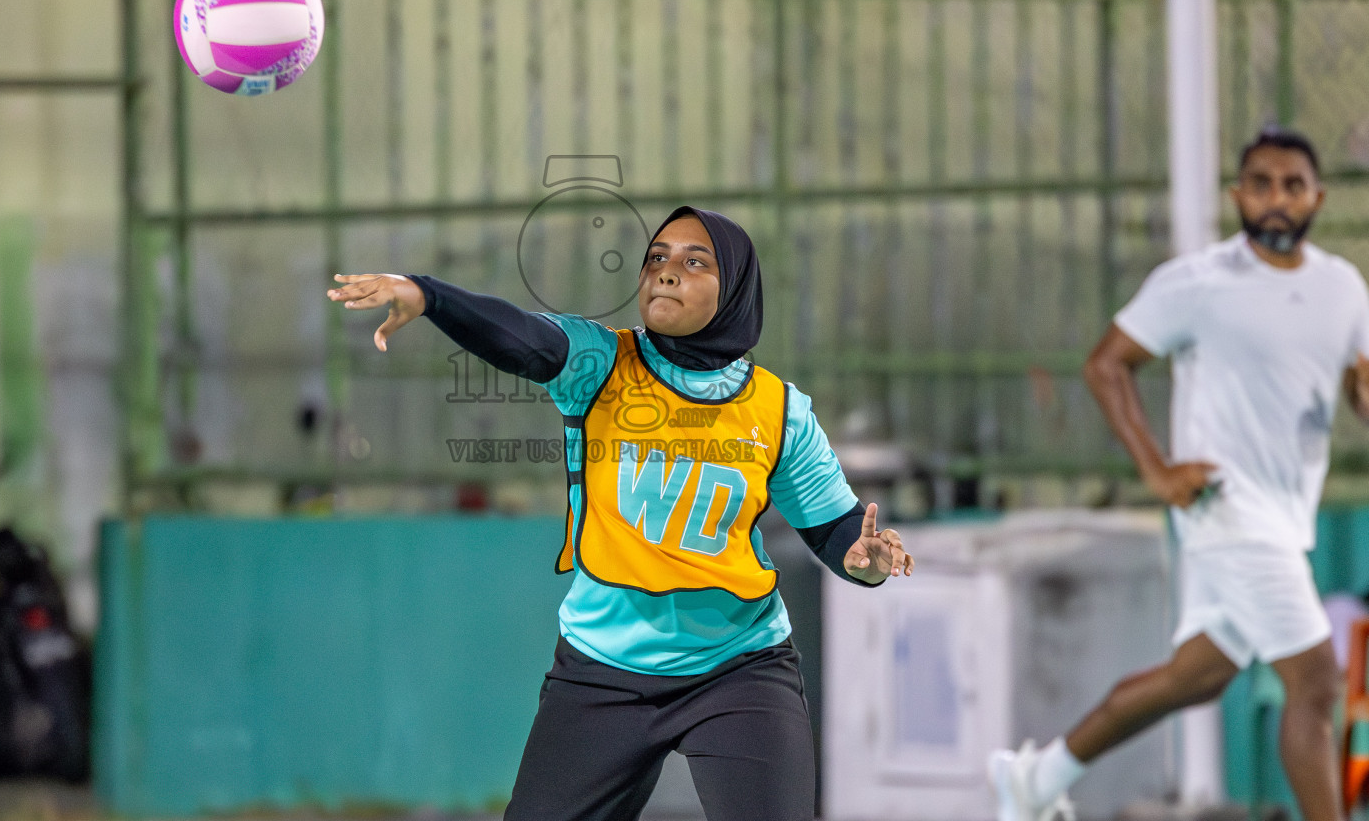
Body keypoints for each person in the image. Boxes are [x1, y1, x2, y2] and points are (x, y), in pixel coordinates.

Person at [328, 205, 914, 821]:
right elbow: (522, 337)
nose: (666, 272)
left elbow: (838, 533)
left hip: (738, 668)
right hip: (603, 667)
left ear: (735, 287)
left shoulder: (779, 410)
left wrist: (865, 562)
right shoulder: (601, 364)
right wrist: (429, 295)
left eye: (694, 262)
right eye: (656, 259)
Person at [989, 129, 1369, 821]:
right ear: (1238, 196)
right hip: (1226, 511)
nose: (1276, 198)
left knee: (1194, 679)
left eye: (1292, 185)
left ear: (1316, 197)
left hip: (1286, 519)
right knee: (1315, 683)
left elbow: (1357, 390)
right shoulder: (1199, 283)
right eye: (1260, 183)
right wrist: (1158, 472)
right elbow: (1107, 365)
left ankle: (1037, 778)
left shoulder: (1344, 288)